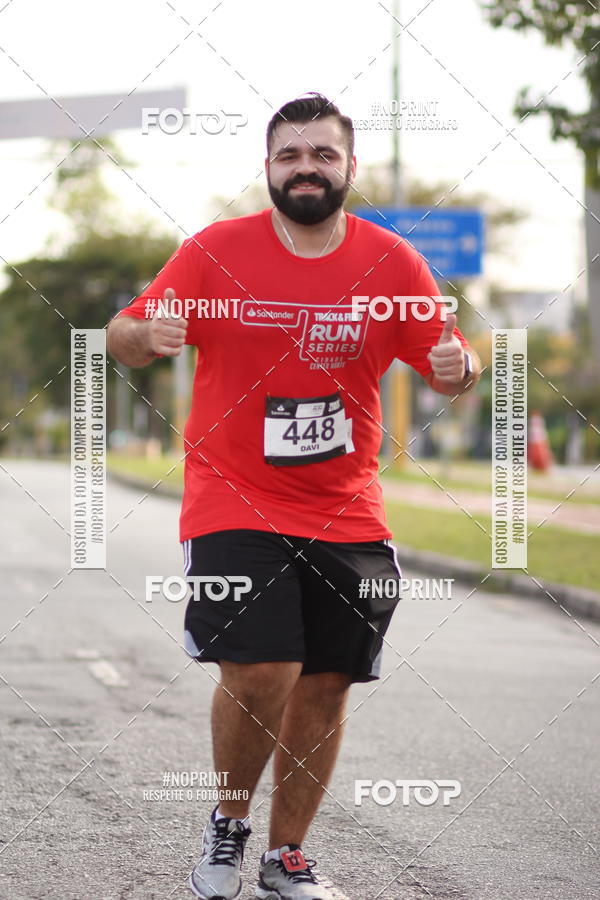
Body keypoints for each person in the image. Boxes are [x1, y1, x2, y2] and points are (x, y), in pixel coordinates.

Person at [107, 92, 480, 900]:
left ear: (349, 168)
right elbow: (122, 336)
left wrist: (461, 368)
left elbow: (447, 357)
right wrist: (147, 334)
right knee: (263, 665)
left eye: (322, 154)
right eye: (289, 155)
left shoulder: (391, 263)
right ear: (268, 168)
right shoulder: (212, 252)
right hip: (231, 494)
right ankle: (228, 824)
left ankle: (287, 856)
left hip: (346, 507)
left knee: (326, 682)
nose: (305, 167)